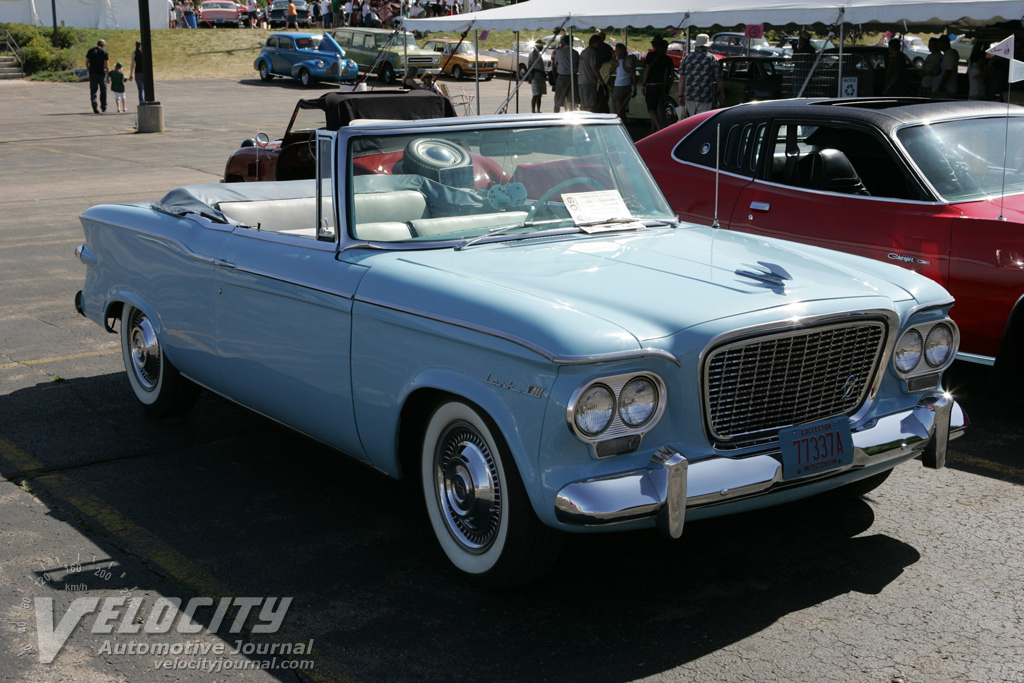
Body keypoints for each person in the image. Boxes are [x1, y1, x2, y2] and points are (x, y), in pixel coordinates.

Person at [678, 33, 724, 117]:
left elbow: (682, 78)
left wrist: (680, 95)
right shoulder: (711, 58)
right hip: (705, 96)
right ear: (707, 46)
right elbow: (718, 78)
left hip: (690, 95)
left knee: (691, 121)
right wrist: (722, 92)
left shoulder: (687, 58)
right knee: (702, 122)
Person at [640, 36, 673, 132]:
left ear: (654, 45)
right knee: (659, 107)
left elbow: (647, 70)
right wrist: (666, 88)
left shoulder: (650, 56)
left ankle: (658, 128)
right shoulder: (667, 59)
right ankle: (657, 128)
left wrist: (643, 84)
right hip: (661, 85)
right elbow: (667, 75)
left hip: (651, 85)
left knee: (651, 109)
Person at [609, 42, 636, 122]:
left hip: (618, 86)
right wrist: (634, 86)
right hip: (627, 86)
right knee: (623, 108)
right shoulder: (628, 62)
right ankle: (624, 123)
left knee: (618, 108)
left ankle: (621, 123)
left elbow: (610, 72)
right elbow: (633, 74)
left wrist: (613, 59)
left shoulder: (616, 63)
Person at [552, 35, 579, 113]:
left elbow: (555, 64)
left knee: (558, 99)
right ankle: (572, 114)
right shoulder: (575, 53)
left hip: (562, 76)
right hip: (573, 77)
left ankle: (556, 114)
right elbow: (577, 65)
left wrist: (554, 77)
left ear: (563, 42)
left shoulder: (559, 52)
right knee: (571, 99)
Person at [577, 35, 602, 112]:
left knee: (584, 104)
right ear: (595, 43)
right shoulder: (592, 52)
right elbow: (594, 67)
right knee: (590, 104)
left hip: (581, 81)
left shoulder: (584, 52)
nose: (600, 46)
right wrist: (601, 79)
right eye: (599, 43)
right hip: (589, 81)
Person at [85, 39, 109, 114]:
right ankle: (103, 107)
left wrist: (89, 71)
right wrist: (108, 75)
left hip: (92, 73)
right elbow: (107, 65)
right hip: (101, 73)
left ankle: (94, 103)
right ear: (103, 45)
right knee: (103, 91)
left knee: (93, 90)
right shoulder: (104, 52)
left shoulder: (90, 51)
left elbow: (86, 63)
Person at [791, 31, 814, 96]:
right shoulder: (811, 49)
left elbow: (794, 59)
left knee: (798, 94)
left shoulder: (803, 50)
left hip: (800, 75)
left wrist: (795, 49)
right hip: (807, 74)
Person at [527, 39, 547, 113]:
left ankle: (538, 109)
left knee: (540, 94)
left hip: (540, 75)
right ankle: (533, 110)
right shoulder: (533, 54)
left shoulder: (538, 54)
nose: (542, 48)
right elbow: (529, 65)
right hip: (536, 75)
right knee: (536, 94)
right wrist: (532, 75)